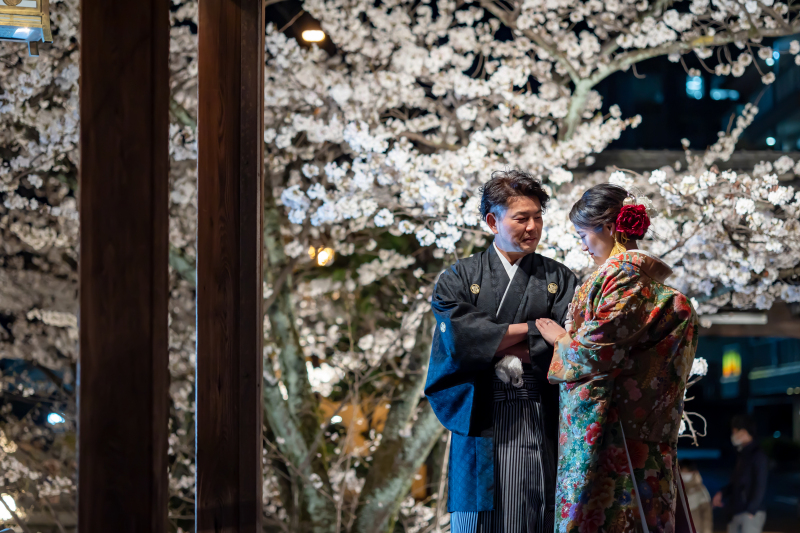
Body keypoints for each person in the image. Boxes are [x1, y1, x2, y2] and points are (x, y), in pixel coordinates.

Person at [536, 184, 700, 533]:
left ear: (610, 228)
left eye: (583, 234)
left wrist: (562, 339)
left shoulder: (620, 278)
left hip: (615, 438)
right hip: (648, 432)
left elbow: (594, 354)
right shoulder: (653, 287)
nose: (582, 245)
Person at [425, 169, 578, 533]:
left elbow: (568, 345)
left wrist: (489, 342)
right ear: (493, 221)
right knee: (475, 519)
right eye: (521, 218)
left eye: (538, 217)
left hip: (539, 411)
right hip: (480, 413)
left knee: (537, 509)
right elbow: (461, 342)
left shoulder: (560, 278)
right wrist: (533, 330)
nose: (533, 227)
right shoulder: (458, 278)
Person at [712, 414, 768, 533]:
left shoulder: (757, 455)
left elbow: (760, 484)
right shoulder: (742, 454)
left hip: (748, 512)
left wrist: (751, 510)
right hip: (736, 511)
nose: (733, 435)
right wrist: (722, 493)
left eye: (735, 431)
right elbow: (737, 482)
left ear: (743, 432)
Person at [680, 460, 713, 533]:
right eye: (683, 471)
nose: (684, 474)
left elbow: (706, 515)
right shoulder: (674, 489)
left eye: (687, 471)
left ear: (693, 472)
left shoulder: (701, 491)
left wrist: (707, 531)